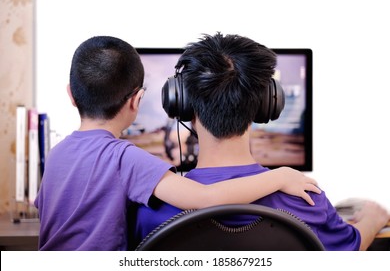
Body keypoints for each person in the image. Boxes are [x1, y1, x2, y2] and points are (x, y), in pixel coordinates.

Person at [34, 35, 321, 251]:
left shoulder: (56, 155)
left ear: (71, 95)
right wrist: (280, 176)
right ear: (137, 101)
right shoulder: (125, 158)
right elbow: (205, 199)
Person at [133, 32, 390, 251]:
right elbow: (350, 249)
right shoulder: (305, 198)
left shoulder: (149, 207)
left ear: (182, 105)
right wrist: (373, 217)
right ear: (266, 105)